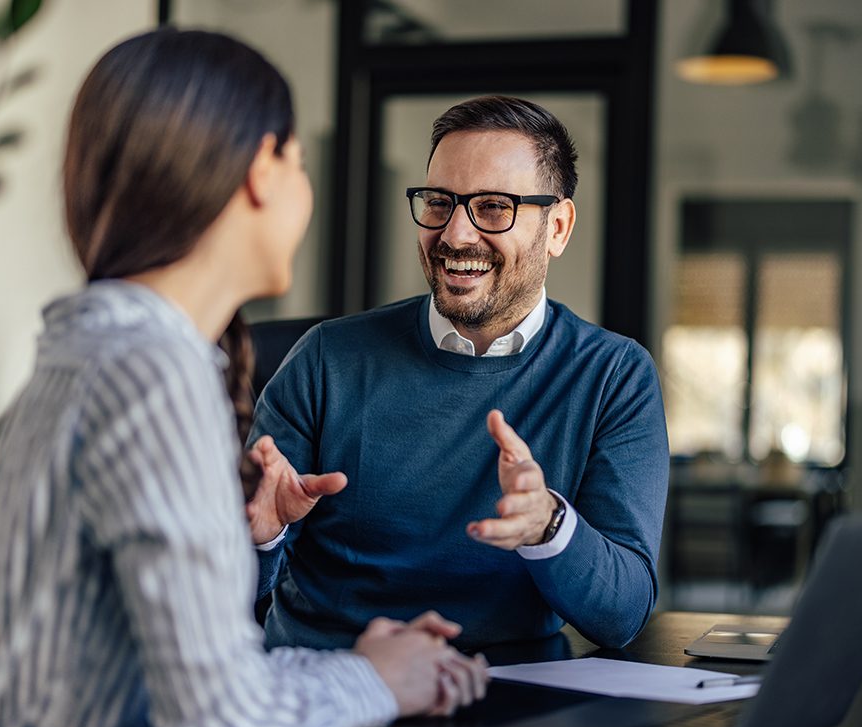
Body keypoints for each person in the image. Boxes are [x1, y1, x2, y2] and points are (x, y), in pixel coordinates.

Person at [0, 29, 487, 727]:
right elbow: (216, 719)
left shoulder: (86, 356)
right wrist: (373, 681)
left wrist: (358, 664)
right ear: (263, 171)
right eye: (299, 164)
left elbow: (161, 678)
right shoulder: (150, 375)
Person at [250, 96, 670, 653]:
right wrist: (258, 539)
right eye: (440, 203)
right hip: (336, 691)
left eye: (493, 207)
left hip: (514, 702)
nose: (455, 235)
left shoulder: (614, 375)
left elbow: (622, 616)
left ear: (558, 228)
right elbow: (221, 600)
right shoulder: (327, 358)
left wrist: (549, 527)